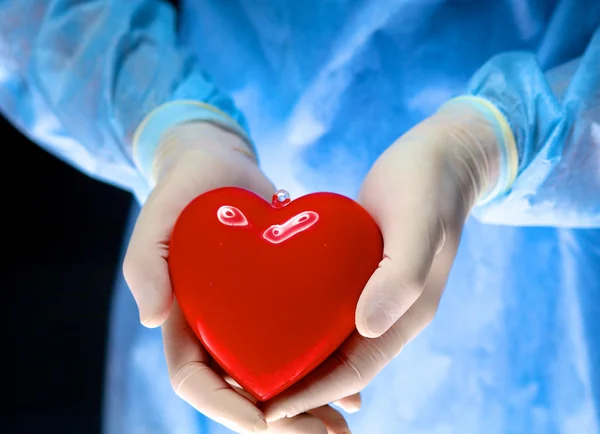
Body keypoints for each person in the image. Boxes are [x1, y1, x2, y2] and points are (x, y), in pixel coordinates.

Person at [1, 0, 599, 433]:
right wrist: (164, 120)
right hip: (208, 249)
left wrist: (496, 142)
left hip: (544, 274)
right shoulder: (201, 219)